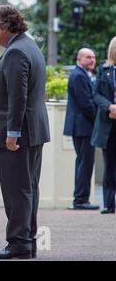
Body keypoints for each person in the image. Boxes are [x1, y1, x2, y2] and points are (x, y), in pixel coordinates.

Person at [0, 5, 50, 259]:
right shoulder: (29, 46)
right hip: (33, 131)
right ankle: (26, 240)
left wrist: (12, 134)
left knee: (17, 190)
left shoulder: (16, 52)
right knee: (28, 187)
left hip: (19, 135)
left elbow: (17, 97)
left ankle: (18, 243)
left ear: (6, 27)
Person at [63, 48, 99, 210]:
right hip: (83, 127)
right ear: (79, 59)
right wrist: (99, 119)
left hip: (82, 126)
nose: (92, 60)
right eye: (88, 57)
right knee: (85, 163)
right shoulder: (78, 75)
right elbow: (86, 104)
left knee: (83, 162)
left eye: (93, 57)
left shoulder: (82, 74)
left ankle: (80, 199)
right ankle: (80, 200)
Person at [91, 36, 116, 214]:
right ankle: (109, 204)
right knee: (110, 165)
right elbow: (96, 94)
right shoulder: (104, 69)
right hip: (108, 123)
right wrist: (110, 106)